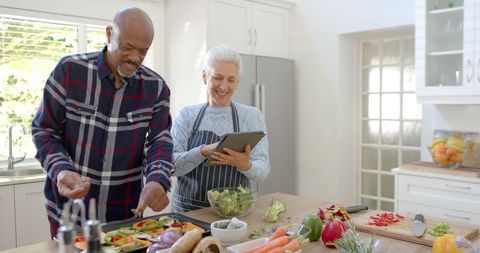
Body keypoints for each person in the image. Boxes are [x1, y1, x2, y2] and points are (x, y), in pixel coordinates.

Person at [31, 7, 173, 237]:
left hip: (126, 215)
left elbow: (159, 141)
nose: (135, 58)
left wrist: (158, 179)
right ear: (109, 34)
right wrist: (61, 169)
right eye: (128, 47)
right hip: (70, 214)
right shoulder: (69, 71)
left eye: (143, 52)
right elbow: (44, 130)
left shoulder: (156, 88)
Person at [171, 45, 270, 212]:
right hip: (188, 214)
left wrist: (245, 165)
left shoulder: (252, 116)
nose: (224, 86)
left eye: (231, 80)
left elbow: (263, 171)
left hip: (233, 215)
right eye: (218, 77)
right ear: (204, 76)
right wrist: (202, 151)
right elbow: (171, 166)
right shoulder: (187, 115)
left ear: (237, 83)